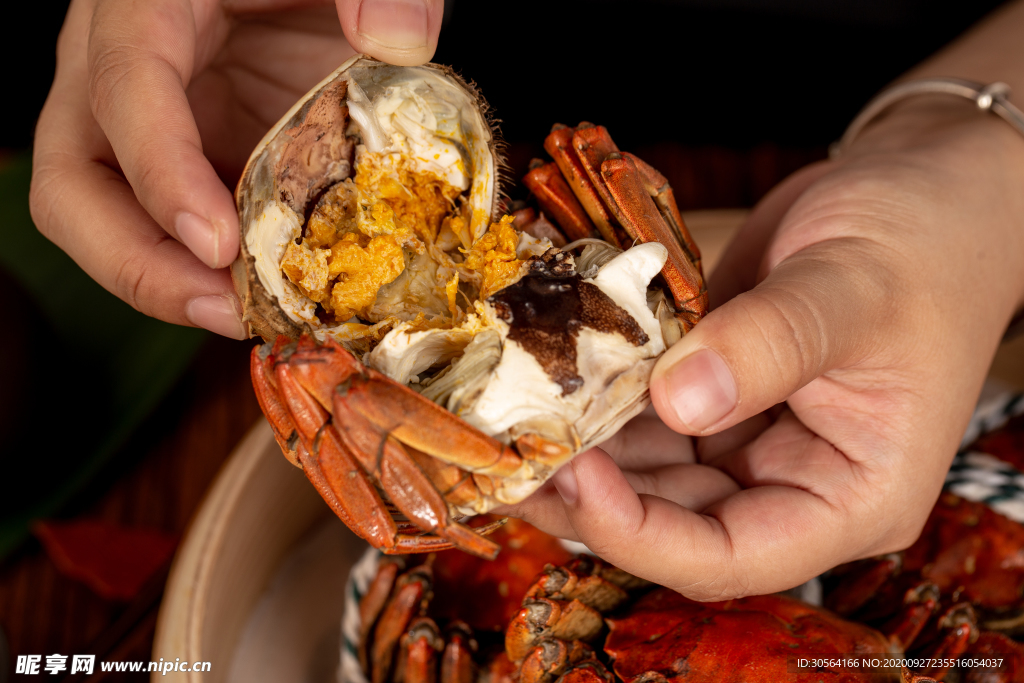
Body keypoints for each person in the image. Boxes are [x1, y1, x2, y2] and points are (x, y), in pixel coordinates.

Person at [30, 0, 1024, 598]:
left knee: (579, 161)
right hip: (242, 72)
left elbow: (592, 162)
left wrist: (979, 166)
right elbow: (306, 380)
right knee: (301, 366)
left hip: (854, 90)